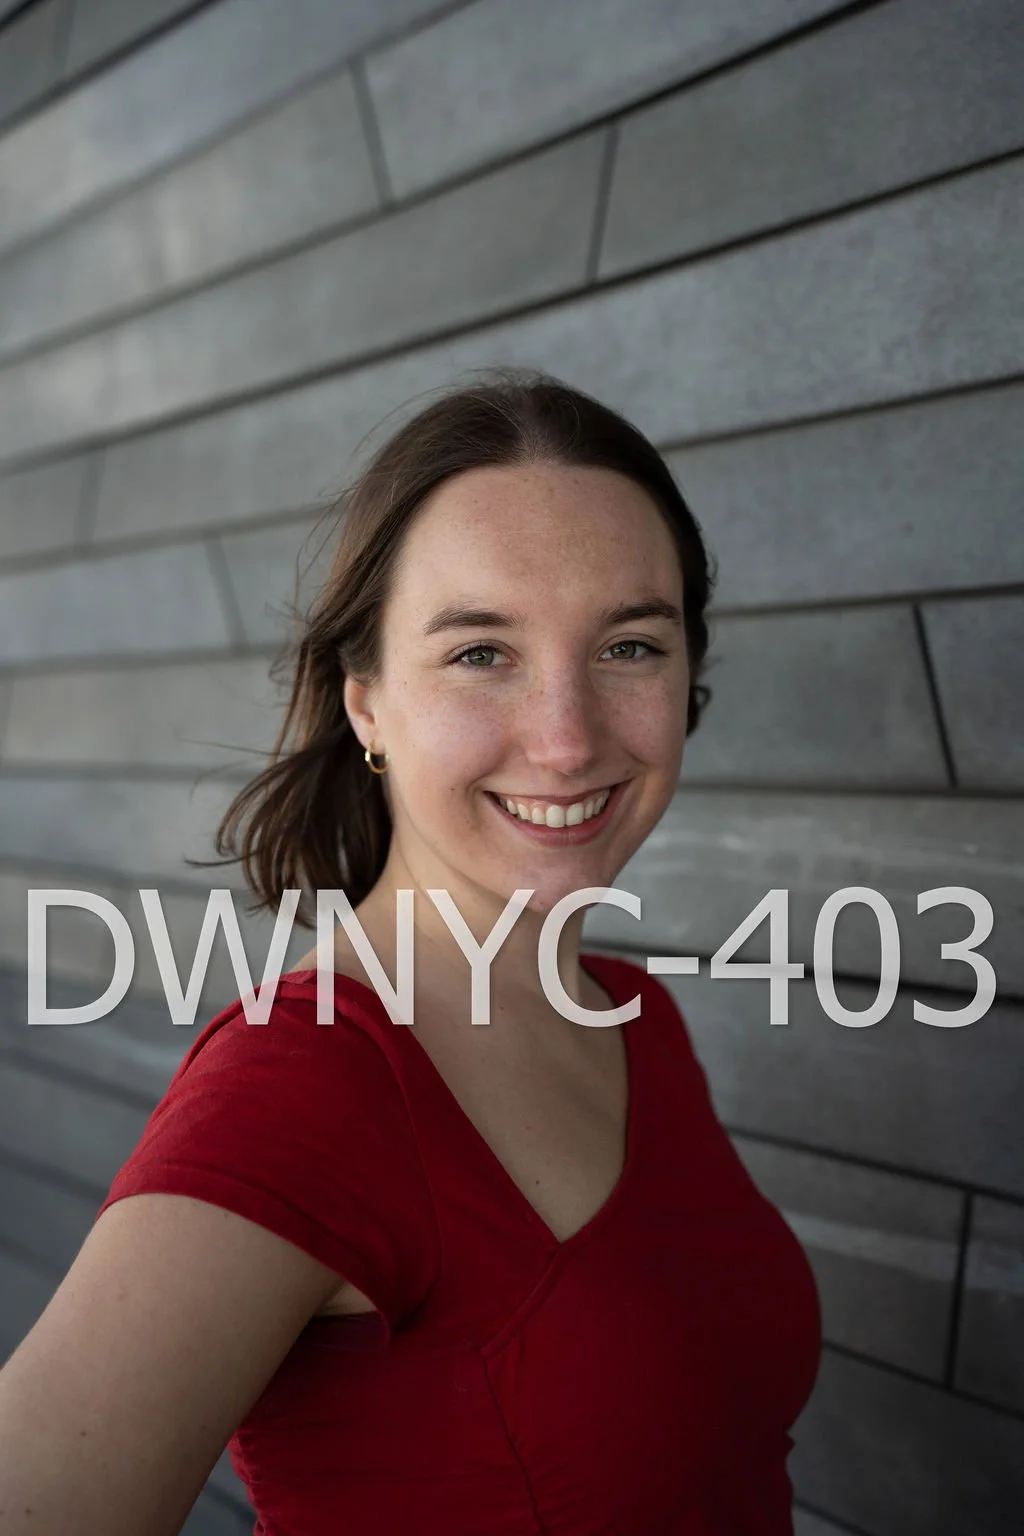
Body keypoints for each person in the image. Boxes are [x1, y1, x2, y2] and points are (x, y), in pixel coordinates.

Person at [0, 371, 822, 1533]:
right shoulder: (307, 1081)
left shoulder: (633, 1013)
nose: (566, 738)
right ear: (367, 705)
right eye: (481, 652)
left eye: (629, 645)